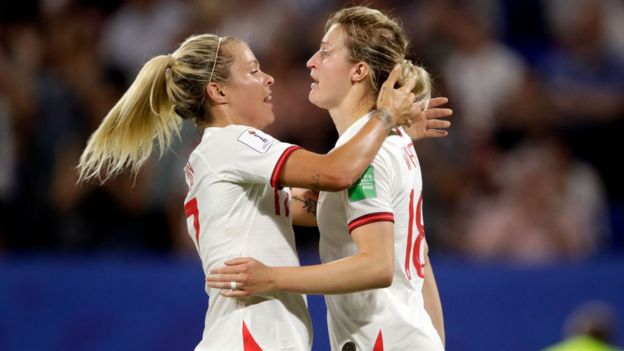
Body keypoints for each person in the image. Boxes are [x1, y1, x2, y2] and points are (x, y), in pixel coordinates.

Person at [76, 32, 447, 350]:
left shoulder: (224, 158)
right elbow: (336, 172)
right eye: (253, 71)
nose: (268, 79)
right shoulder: (234, 142)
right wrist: (383, 118)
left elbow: (321, 203)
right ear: (218, 91)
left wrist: (392, 146)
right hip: (249, 339)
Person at [207, 6, 446, 350]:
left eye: (326, 51)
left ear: (359, 71)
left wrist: (271, 278)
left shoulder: (368, 154)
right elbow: (418, 261)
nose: (311, 61)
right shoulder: (384, 143)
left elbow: (377, 266)